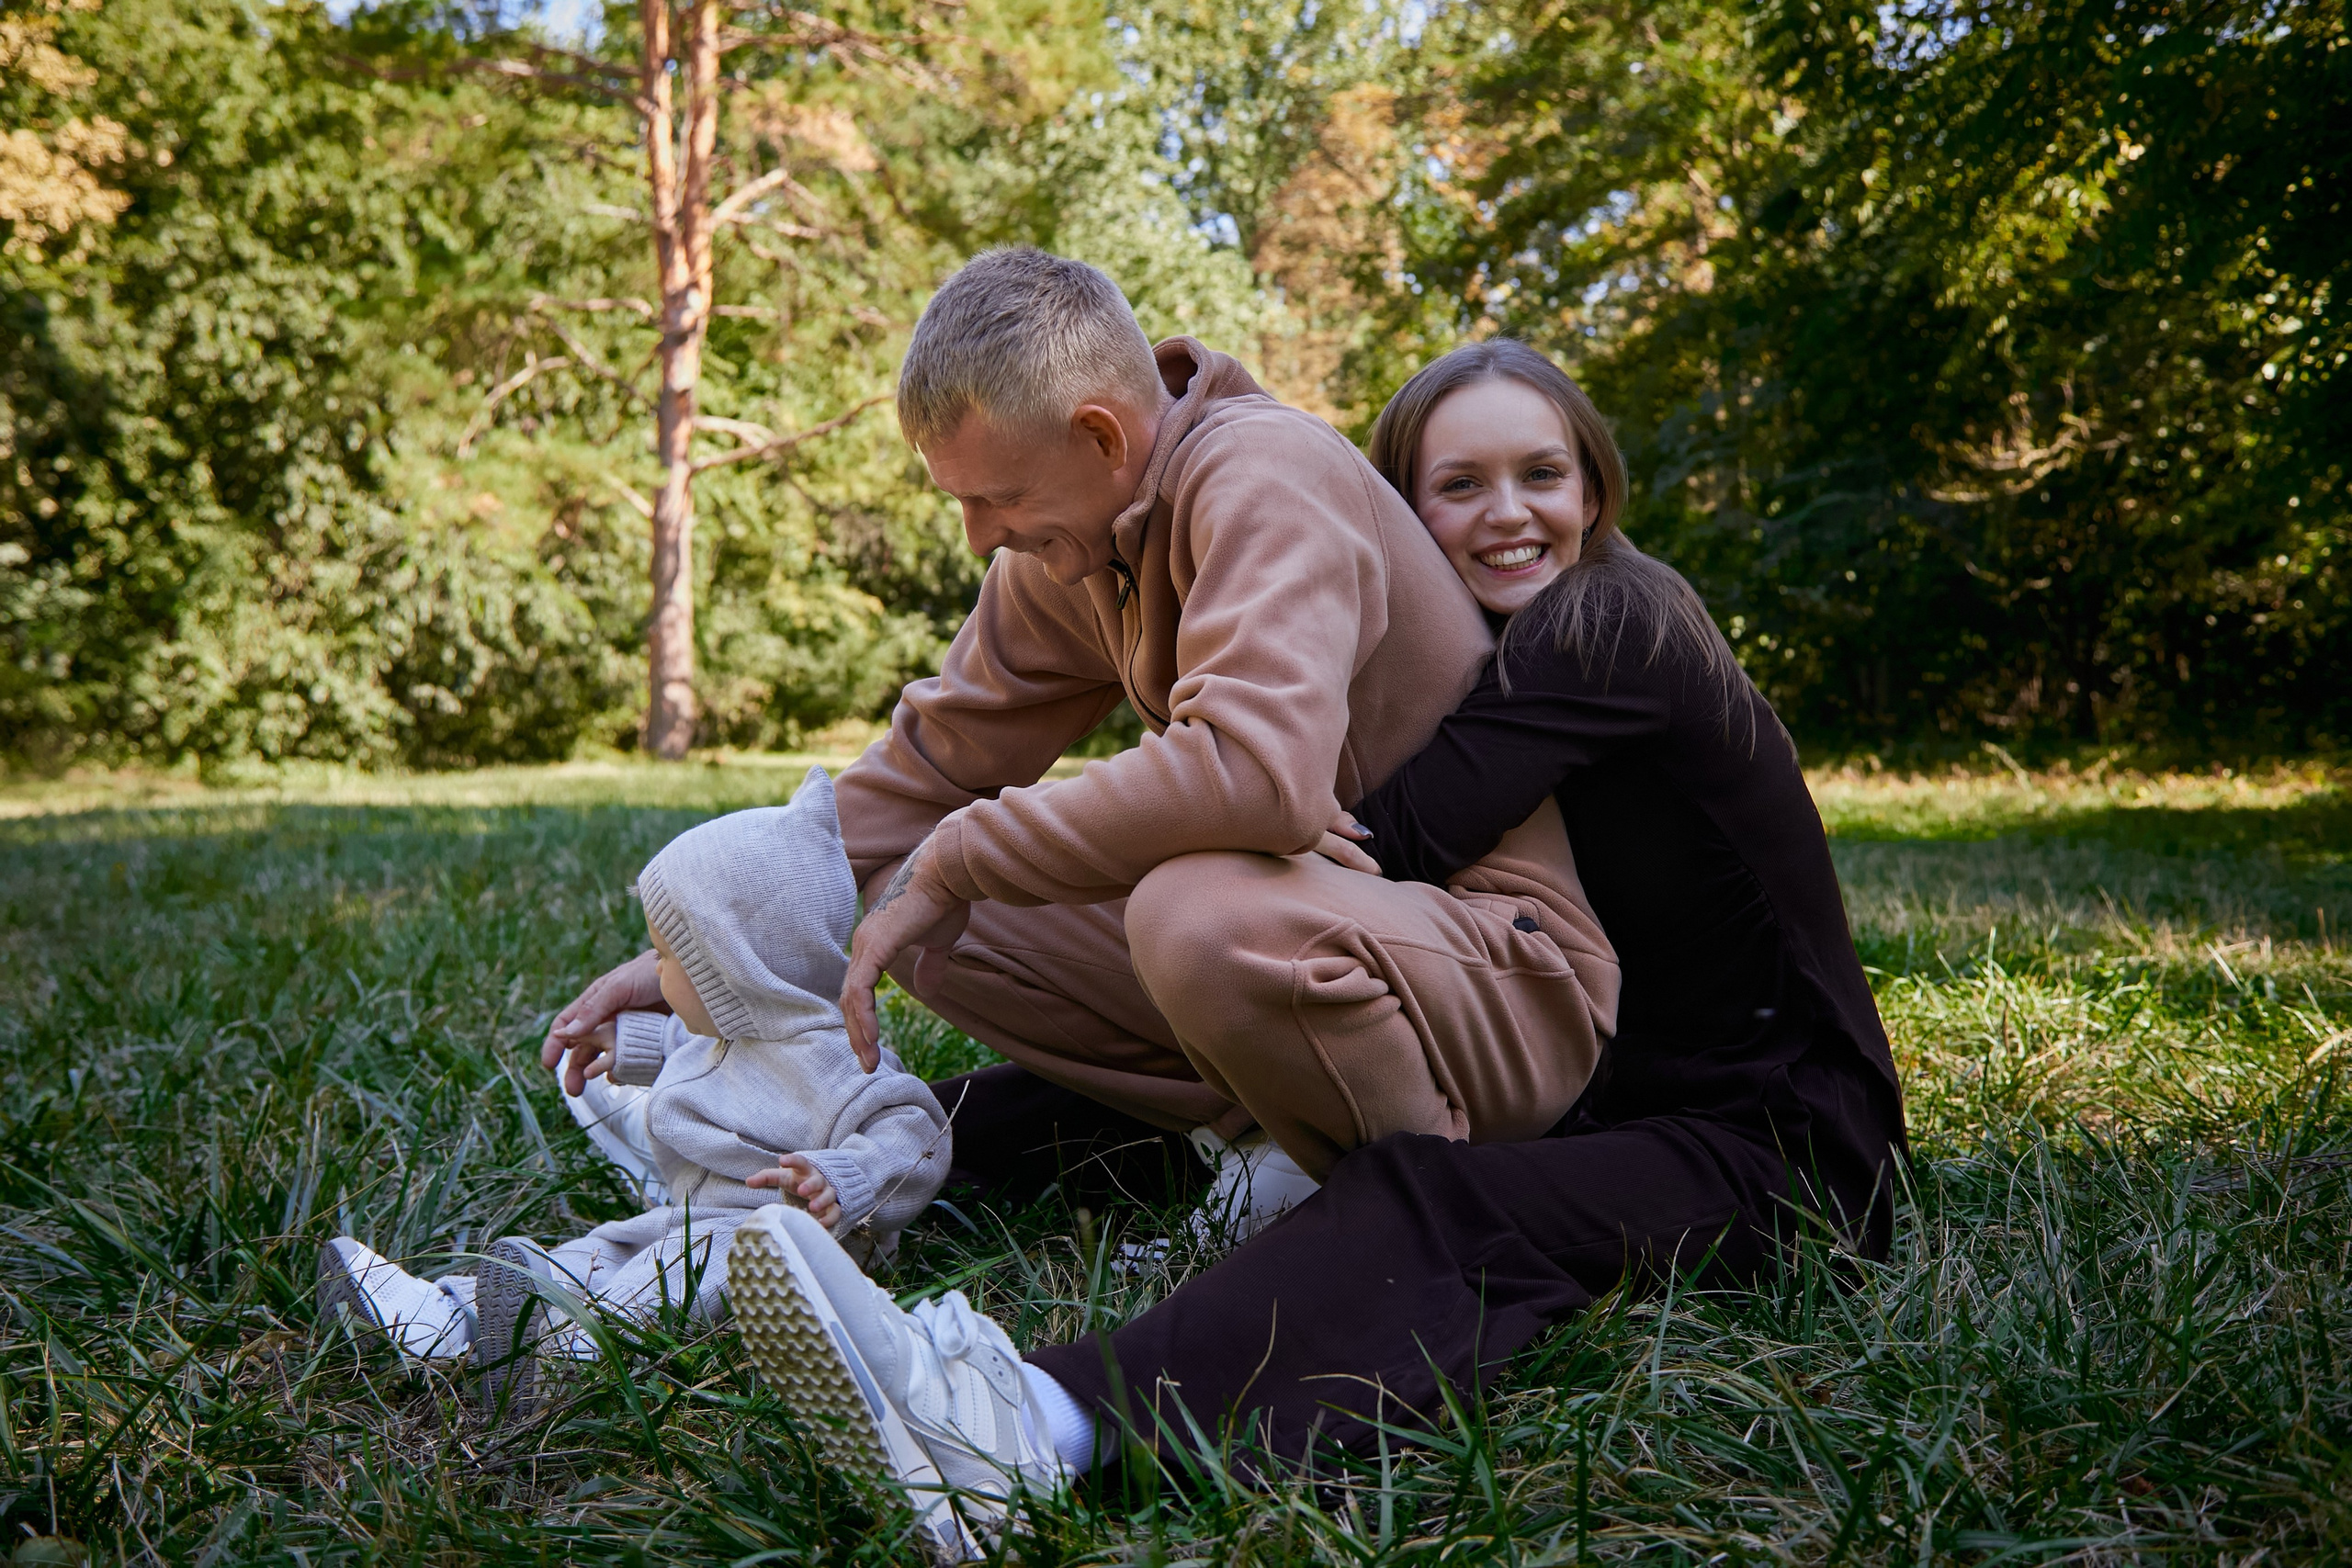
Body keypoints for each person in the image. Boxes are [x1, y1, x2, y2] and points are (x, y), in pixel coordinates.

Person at [715, 340, 1910, 1551]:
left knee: (1433, 1195)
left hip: (1778, 1144)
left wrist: (1234, 802)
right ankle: (787, 1165)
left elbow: (1389, 838)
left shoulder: (1610, 623)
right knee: (1132, 1095)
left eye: (1541, 474)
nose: (1507, 513)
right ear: (1403, 511)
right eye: (1459, 486)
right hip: (1609, 1093)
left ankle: (1035, 1425)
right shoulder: (1491, 646)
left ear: (1593, 488)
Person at [547, 248, 1620, 1235]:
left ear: (1102, 437)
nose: (980, 536)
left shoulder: (1264, 474)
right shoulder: (1068, 546)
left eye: (1000, 496)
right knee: (912, 909)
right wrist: (697, 952)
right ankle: (1271, 1135)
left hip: (1510, 981)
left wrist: (965, 854)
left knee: (1188, 914)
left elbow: (1255, 776)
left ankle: (1415, 1194)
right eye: (961, 501)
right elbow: (932, 765)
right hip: (1327, 924)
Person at [317, 768, 950, 1416]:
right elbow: (695, 1050)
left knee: (671, 1280)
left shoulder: (841, 1059)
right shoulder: (740, 1028)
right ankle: (452, 1316)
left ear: (731, 967)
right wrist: (634, 1045)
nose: (656, 970)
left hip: (787, 1253)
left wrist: (847, 1179)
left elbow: (916, 1132)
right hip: (695, 1217)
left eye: (665, 957)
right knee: (606, 1250)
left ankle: (566, 1357)